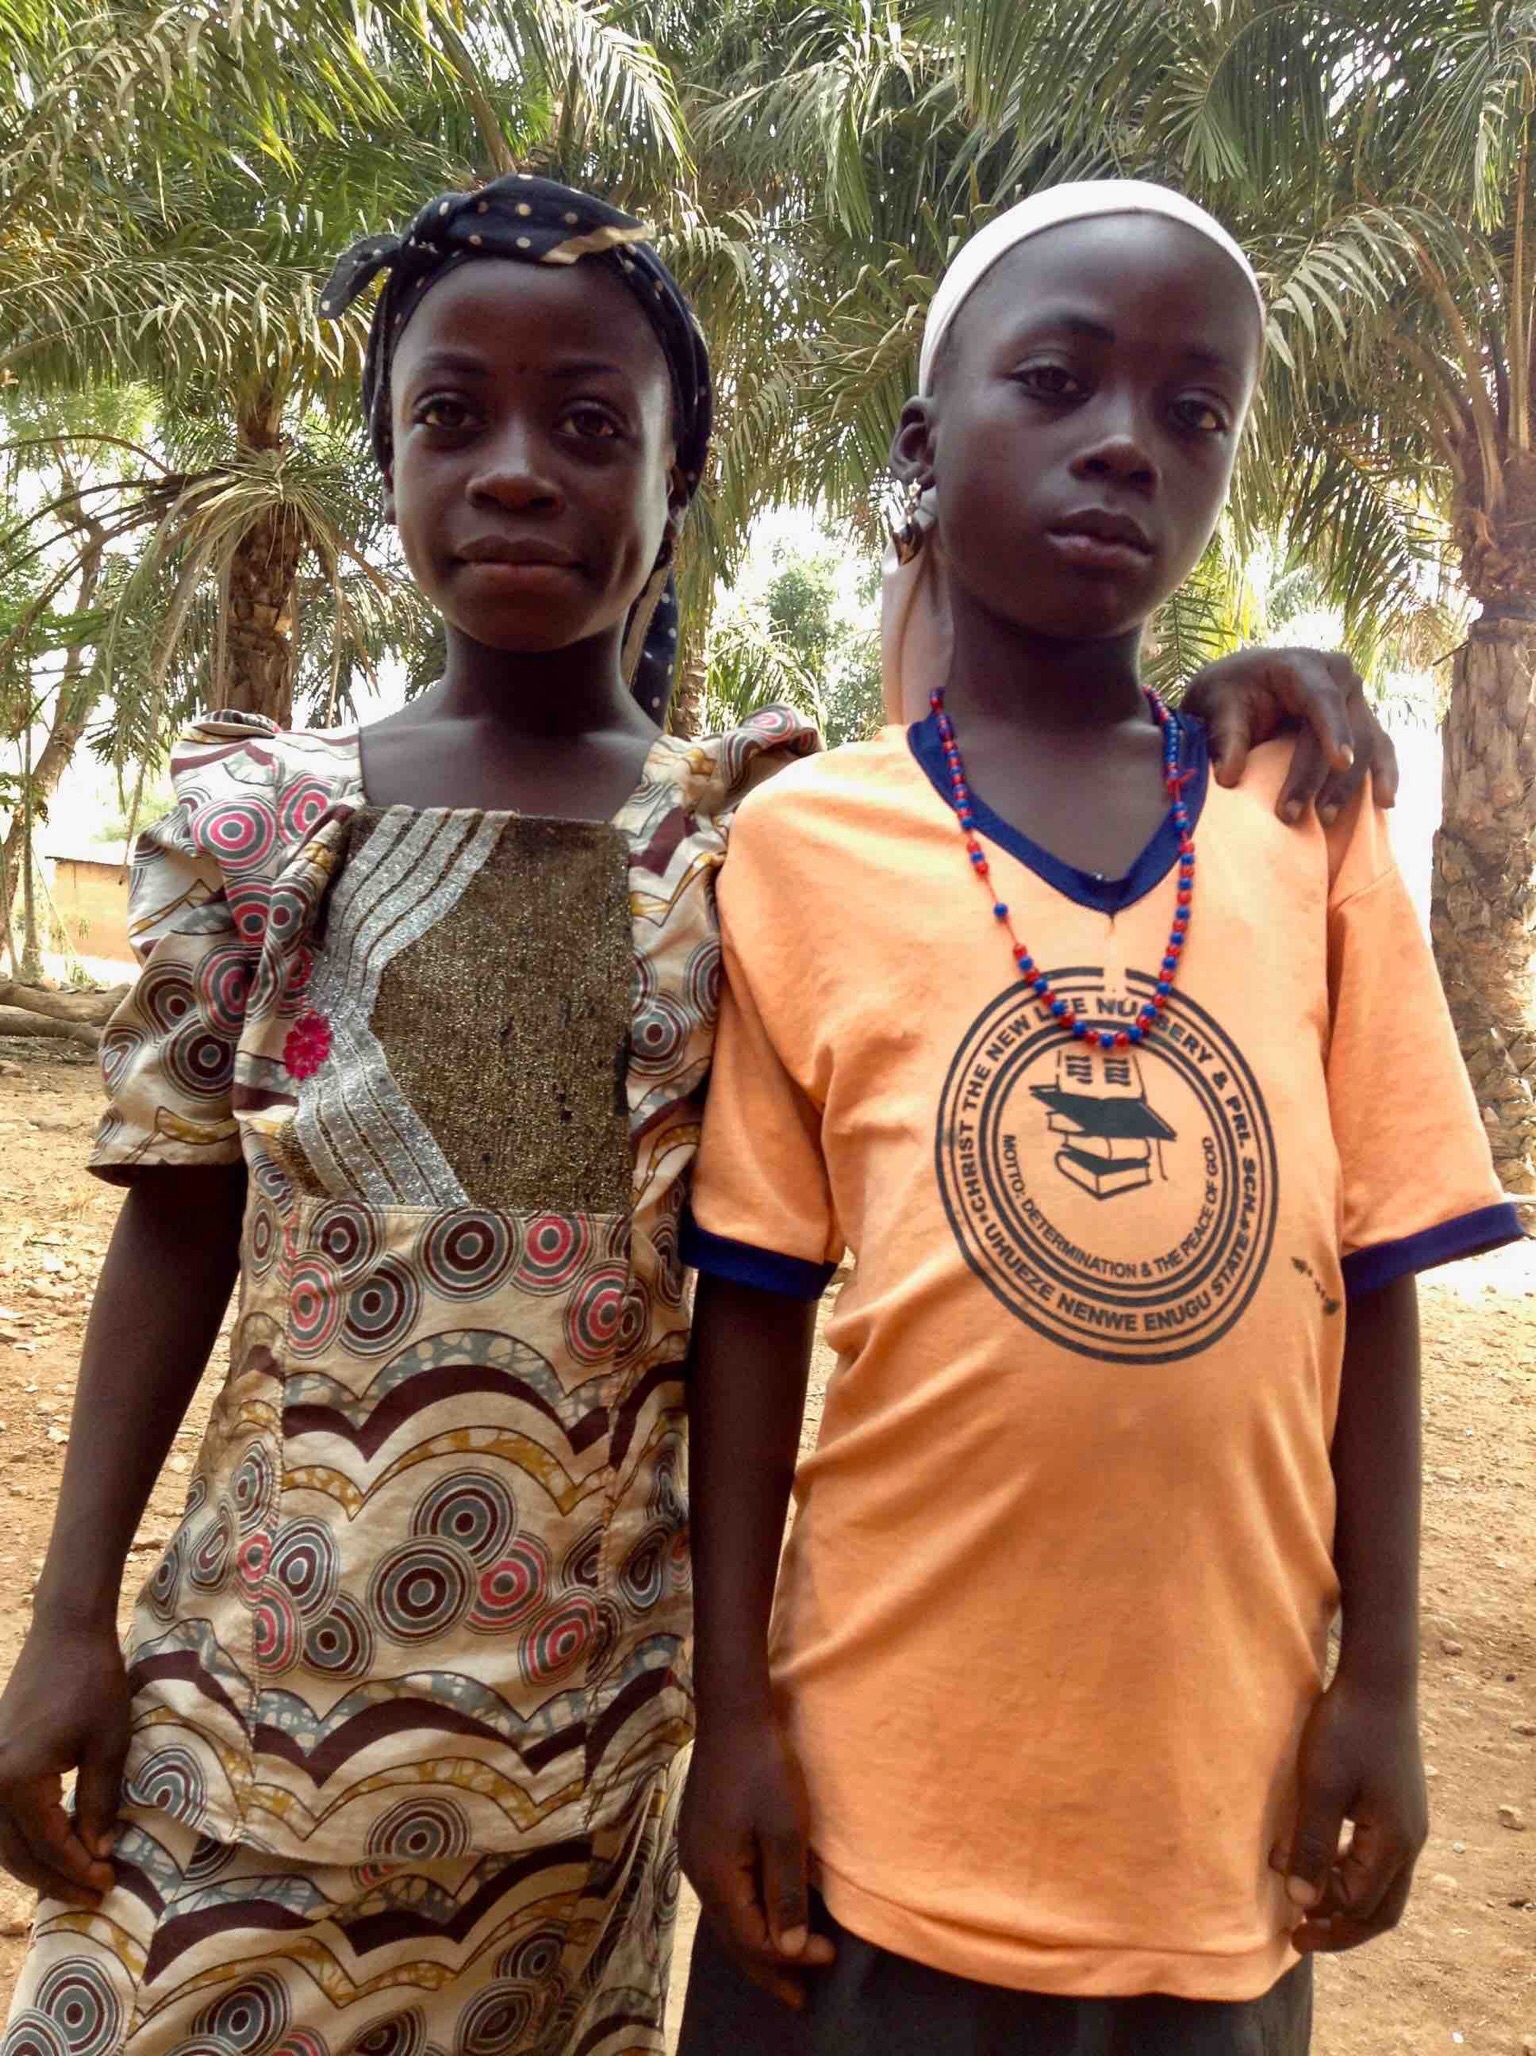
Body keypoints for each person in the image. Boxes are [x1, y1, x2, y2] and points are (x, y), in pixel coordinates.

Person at [0, 168, 1402, 2056]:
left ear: (680, 482)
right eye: (451, 416)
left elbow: (986, 791)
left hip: (580, 1765)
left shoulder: (739, 836)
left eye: (593, 430)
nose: (518, 474)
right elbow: (176, 1224)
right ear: (384, 455)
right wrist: (67, 1619)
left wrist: (1238, 691)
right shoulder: (259, 827)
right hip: (246, 1715)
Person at [676, 180, 1524, 2056]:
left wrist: (1381, 1682)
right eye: (1057, 383)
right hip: (870, 1813)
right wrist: (734, 1716)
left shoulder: (1302, 815)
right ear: (922, 448)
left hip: (1209, 1830)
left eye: (1193, 410)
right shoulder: (805, 846)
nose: (1128, 444)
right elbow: (753, 1304)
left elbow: (1370, 1274)